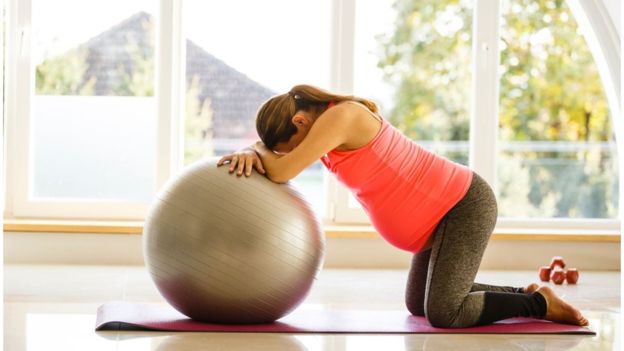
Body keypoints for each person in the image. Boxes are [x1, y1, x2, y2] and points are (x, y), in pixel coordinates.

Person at [216, 84, 589, 328]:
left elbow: (281, 172)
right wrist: (257, 148)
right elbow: (283, 164)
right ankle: (527, 295)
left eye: (289, 144)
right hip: (441, 218)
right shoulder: (325, 125)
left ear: (299, 121)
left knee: (445, 312)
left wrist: (257, 150)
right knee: (419, 305)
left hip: (463, 204)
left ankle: (539, 307)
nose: (291, 153)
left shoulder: (340, 116)